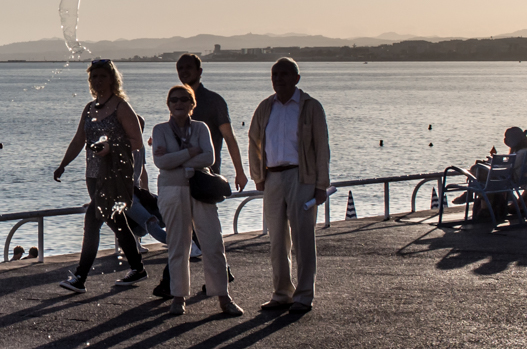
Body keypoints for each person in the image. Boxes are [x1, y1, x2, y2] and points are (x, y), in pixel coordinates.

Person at [152, 53, 248, 298]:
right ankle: (177, 291)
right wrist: (182, 153)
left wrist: (239, 170)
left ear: (199, 71)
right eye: (180, 68)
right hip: (175, 186)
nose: (184, 71)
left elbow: (227, 139)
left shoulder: (213, 102)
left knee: (208, 239)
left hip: (204, 179)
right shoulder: (170, 115)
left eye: (188, 68)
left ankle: (218, 287)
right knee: (180, 242)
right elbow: (161, 158)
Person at [53, 59, 148, 293]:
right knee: (118, 223)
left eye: (102, 76)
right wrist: (63, 164)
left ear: (112, 79)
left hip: (114, 176)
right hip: (93, 175)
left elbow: (136, 141)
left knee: (92, 220)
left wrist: (111, 147)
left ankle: (80, 277)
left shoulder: (121, 107)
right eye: (93, 77)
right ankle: (137, 268)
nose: (97, 81)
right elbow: (79, 140)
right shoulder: (89, 108)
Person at [248, 58, 330, 315]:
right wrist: (257, 176)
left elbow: (321, 147)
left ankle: (304, 295)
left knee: (303, 238)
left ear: (296, 78)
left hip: (301, 177)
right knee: (276, 241)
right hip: (273, 177)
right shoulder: (265, 107)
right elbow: (254, 142)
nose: (279, 79)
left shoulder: (310, 107)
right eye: (275, 74)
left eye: (284, 74)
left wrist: (321, 185)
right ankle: (282, 293)